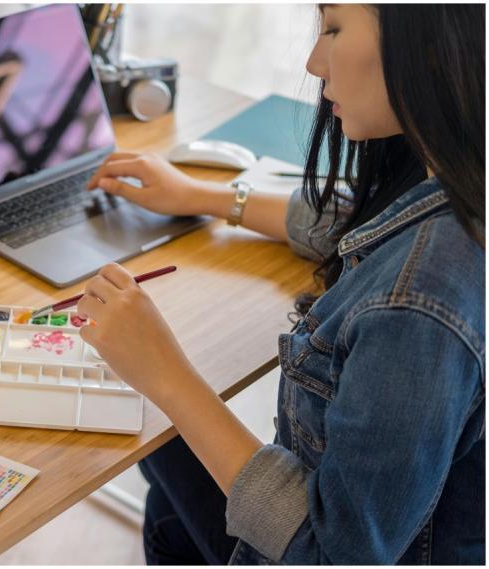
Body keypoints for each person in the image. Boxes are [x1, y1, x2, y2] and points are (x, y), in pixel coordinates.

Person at [79, 4, 484, 564]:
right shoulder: (460, 179)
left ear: (434, 47)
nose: (315, 63)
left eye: (334, 28)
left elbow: (331, 555)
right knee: (168, 487)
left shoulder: (417, 307)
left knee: (160, 433)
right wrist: (205, 197)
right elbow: (365, 221)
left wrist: (166, 375)